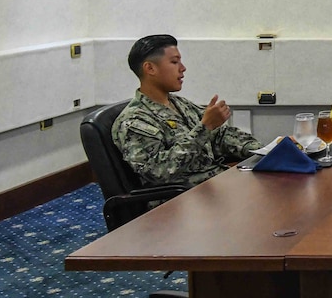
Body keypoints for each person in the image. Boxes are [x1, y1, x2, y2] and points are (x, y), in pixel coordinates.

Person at [111, 34, 259, 187]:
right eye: (174, 62)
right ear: (150, 68)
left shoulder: (179, 104)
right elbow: (157, 172)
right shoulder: (134, 121)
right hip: (180, 201)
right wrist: (205, 128)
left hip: (213, 186)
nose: (183, 68)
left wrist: (261, 151)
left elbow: (219, 136)